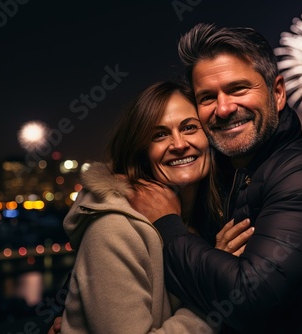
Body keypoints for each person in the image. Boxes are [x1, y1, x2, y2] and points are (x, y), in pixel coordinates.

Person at [125, 23, 302, 333]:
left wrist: (168, 225)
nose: (225, 108)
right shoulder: (219, 177)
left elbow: (249, 300)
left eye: (238, 89)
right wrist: (81, 316)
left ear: (278, 93)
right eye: (207, 97)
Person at [57, 81, 254, 333]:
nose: (179, 144)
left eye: (190, 127)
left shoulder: (215, 214)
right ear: (141, 150)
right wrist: (214, 285)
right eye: (159, 135)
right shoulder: (114, 229)